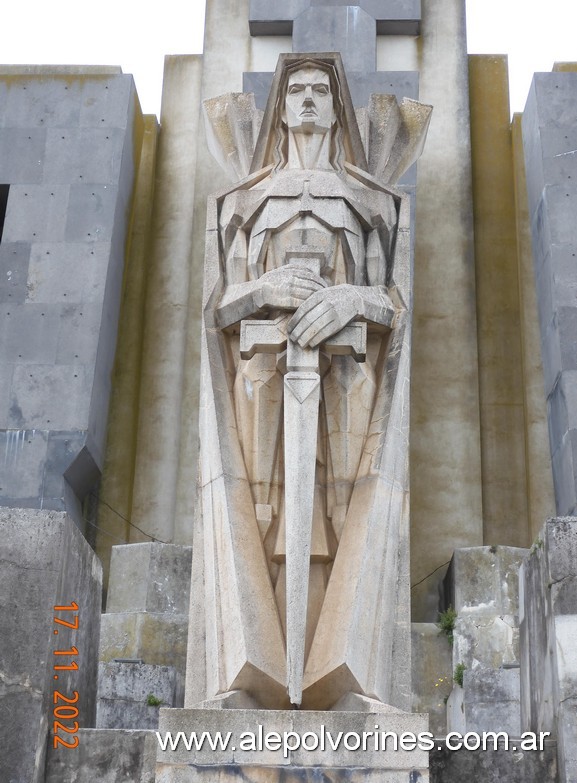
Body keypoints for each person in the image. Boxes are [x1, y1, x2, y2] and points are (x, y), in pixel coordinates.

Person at [198, 53, 412, 711]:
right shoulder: (244, 201)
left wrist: (351, 301)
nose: (311, 100)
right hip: (261, 376)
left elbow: (393, 304)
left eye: (322, 90)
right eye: (299, 91)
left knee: (338, 512)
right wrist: (261, 289)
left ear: (334, 107)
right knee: (262, 517)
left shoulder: (371, 202)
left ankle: (344, 676)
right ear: (283, 108)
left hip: (346, 373)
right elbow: (217, 307)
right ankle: (247, 674)